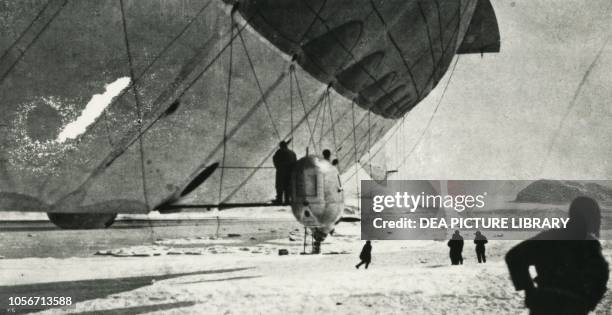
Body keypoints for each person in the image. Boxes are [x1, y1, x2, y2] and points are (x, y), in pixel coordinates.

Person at [505, 196, 609, 315]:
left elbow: (514, 256)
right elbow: (600, 276)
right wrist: (590, 302)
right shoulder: (589, 245)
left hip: (545, 304)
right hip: (570, 307)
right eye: (595, 216)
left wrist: (529, 290)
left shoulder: (550, 238)